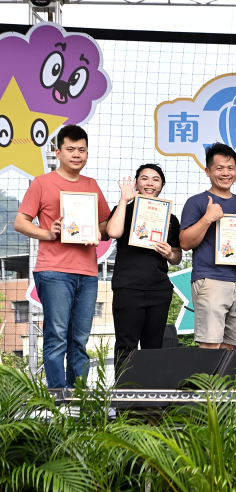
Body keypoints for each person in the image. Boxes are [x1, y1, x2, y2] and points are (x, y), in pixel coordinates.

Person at [15, 124, 111, 388]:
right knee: (56, 337)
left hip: (88, 273)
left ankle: (78, 396)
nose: (76, 154)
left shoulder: (92, 185)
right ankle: (58, 398)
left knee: (79, 340)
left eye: (82, 150)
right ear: (58, 152)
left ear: (87, 153)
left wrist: (98, 232)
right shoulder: (42, 183)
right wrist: (48, 233)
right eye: (70, 149)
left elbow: (104, 225)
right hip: (54, 271)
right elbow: (21, 222)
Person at [106, 164, 182, 377]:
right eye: (144, 178)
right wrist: (124, 200)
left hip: (159, 290)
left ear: (162, 185)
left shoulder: (170, 218)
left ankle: (150, 395)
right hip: (128, 288)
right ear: (136, 183)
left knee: (154, 349)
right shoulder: (124, 209)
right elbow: (113, 232)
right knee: (126, 346)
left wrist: (169, 253)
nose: (150, 183)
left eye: (156, 179)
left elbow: (177, 256)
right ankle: (124, 395)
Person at [179, 143, 236, 350]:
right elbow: (185, 242)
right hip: (210, 280)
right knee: (210, 346)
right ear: (208, 171)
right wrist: (208, 218)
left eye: (230, 168)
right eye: (219, 168)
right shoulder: (196, 202)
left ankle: (226, 375)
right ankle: (206, 376)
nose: (226, 173)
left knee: (232, 349)